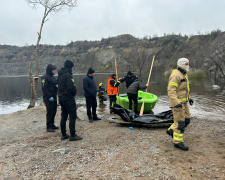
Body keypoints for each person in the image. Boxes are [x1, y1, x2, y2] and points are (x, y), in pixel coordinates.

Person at [166, 58, 194, 151]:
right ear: (181, 64)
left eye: (188, 63)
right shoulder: (175, 75)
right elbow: (171, 91)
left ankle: (171, 130)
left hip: (184, 102)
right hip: (177, 104)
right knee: (180, 123)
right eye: (186, 63)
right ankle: (177, 142)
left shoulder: (184, 75)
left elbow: (185, 89)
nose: (188, 65)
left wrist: (189, 98)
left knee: (187, 120)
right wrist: (177, 103)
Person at [57, 60, 82, 141]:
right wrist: (74, 93)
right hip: (68, 97)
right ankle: (72, 134)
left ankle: (63, 134)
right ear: (70, 67)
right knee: (72, 115)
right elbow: (71, 87)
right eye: (72, 67)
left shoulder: (60, 75)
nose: (72, 69)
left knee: (64, 115)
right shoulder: (68, 75)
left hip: (61, 97)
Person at [41, 64, 58, 132]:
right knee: (50, 111)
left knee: (54, 110)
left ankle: (52, 124)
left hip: (54, 96)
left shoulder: (53, 77)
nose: (54, 71)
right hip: (48, 97)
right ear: (51, 70)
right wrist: (49, 96)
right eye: (54, 70)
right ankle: (48, 126)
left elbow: (55, 85)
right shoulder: (44, 77)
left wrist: (56, 90)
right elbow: (44, 88)